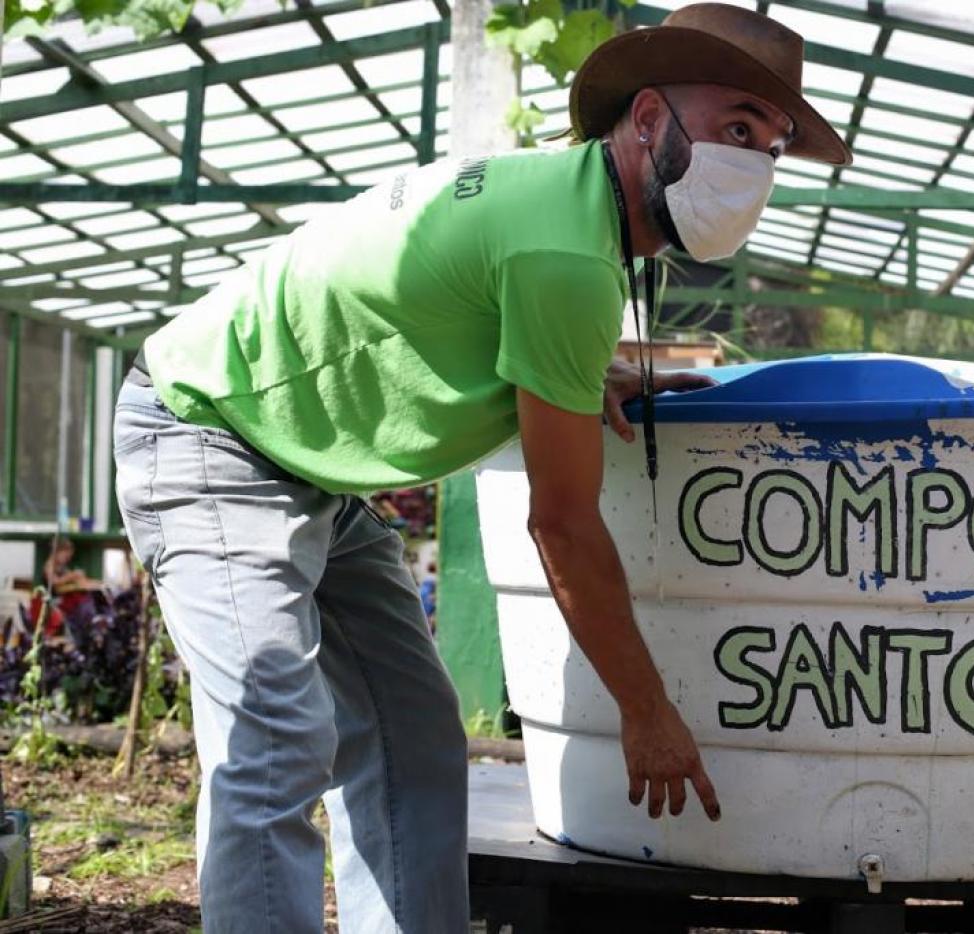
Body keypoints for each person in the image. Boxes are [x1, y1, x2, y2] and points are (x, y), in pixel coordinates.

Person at [110, 4, 850, 931]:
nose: (754, 166)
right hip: (210, 431)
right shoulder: (565, 254)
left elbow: (482, 329)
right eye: (737, 127)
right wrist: (647, 709)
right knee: (275, 736)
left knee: (412, 737)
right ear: (651, 121)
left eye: (772, 147)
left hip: (308, 463)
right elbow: (564, 525)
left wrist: (581, 379)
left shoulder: (567, 214)